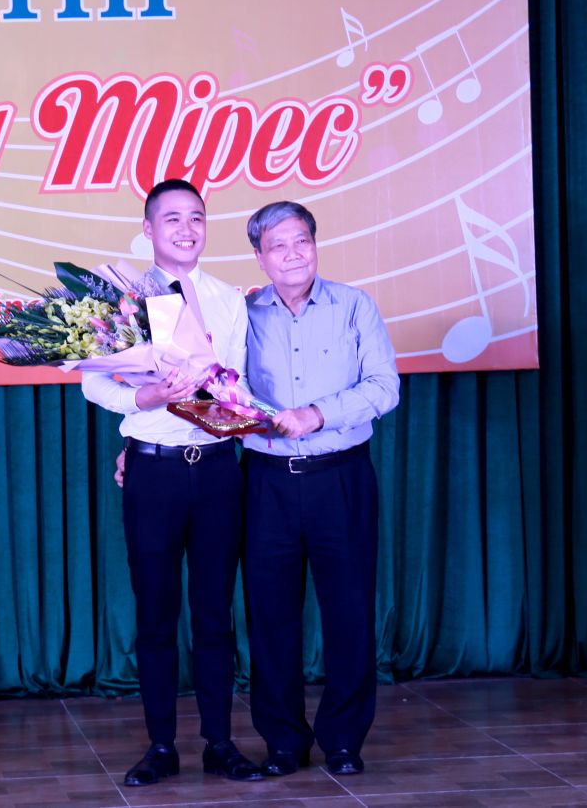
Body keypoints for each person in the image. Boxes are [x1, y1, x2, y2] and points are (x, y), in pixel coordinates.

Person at [81, 178, 263, 786]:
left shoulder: (228, 298)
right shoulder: (123, 299)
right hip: (153, 470)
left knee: (215, 613)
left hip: (215, 471)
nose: (187, 229)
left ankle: (220, 742)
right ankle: (161, 746)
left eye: (196, 218)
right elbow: (93, 382)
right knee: (156, 614)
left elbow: (239, 380)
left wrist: (230, 406)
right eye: (173, 219)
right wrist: (147, 396)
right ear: (149, 229)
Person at [240, 200, 399, 778]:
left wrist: (317, 414)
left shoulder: (355, 305)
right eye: (277, 246)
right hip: (266, 484)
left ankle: (344, 739)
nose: (292, 254)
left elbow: (384, 386)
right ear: (259, 258)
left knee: (350, 611)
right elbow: (209, 389)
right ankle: (283, 741)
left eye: (301, 241)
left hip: (342, 477)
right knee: (270, 617)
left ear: (315, 244)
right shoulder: (241, 315)